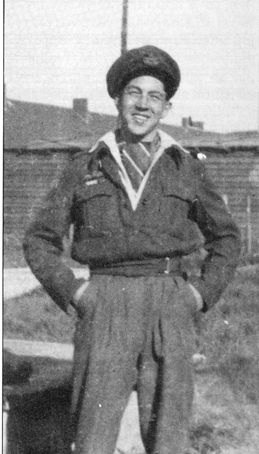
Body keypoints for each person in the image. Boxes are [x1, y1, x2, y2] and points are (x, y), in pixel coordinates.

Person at [23, 45, 241, 454]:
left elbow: (227, 238)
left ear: (167, 106)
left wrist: (199, 294)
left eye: (154, 96)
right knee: (92, 439)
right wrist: (75, 293)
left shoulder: (186, 167)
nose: (143, 104)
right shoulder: (85, 166)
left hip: (169, 301)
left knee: (168, 439)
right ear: (118, 100)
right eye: (134, 93)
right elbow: (39, 238)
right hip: (105, 302)